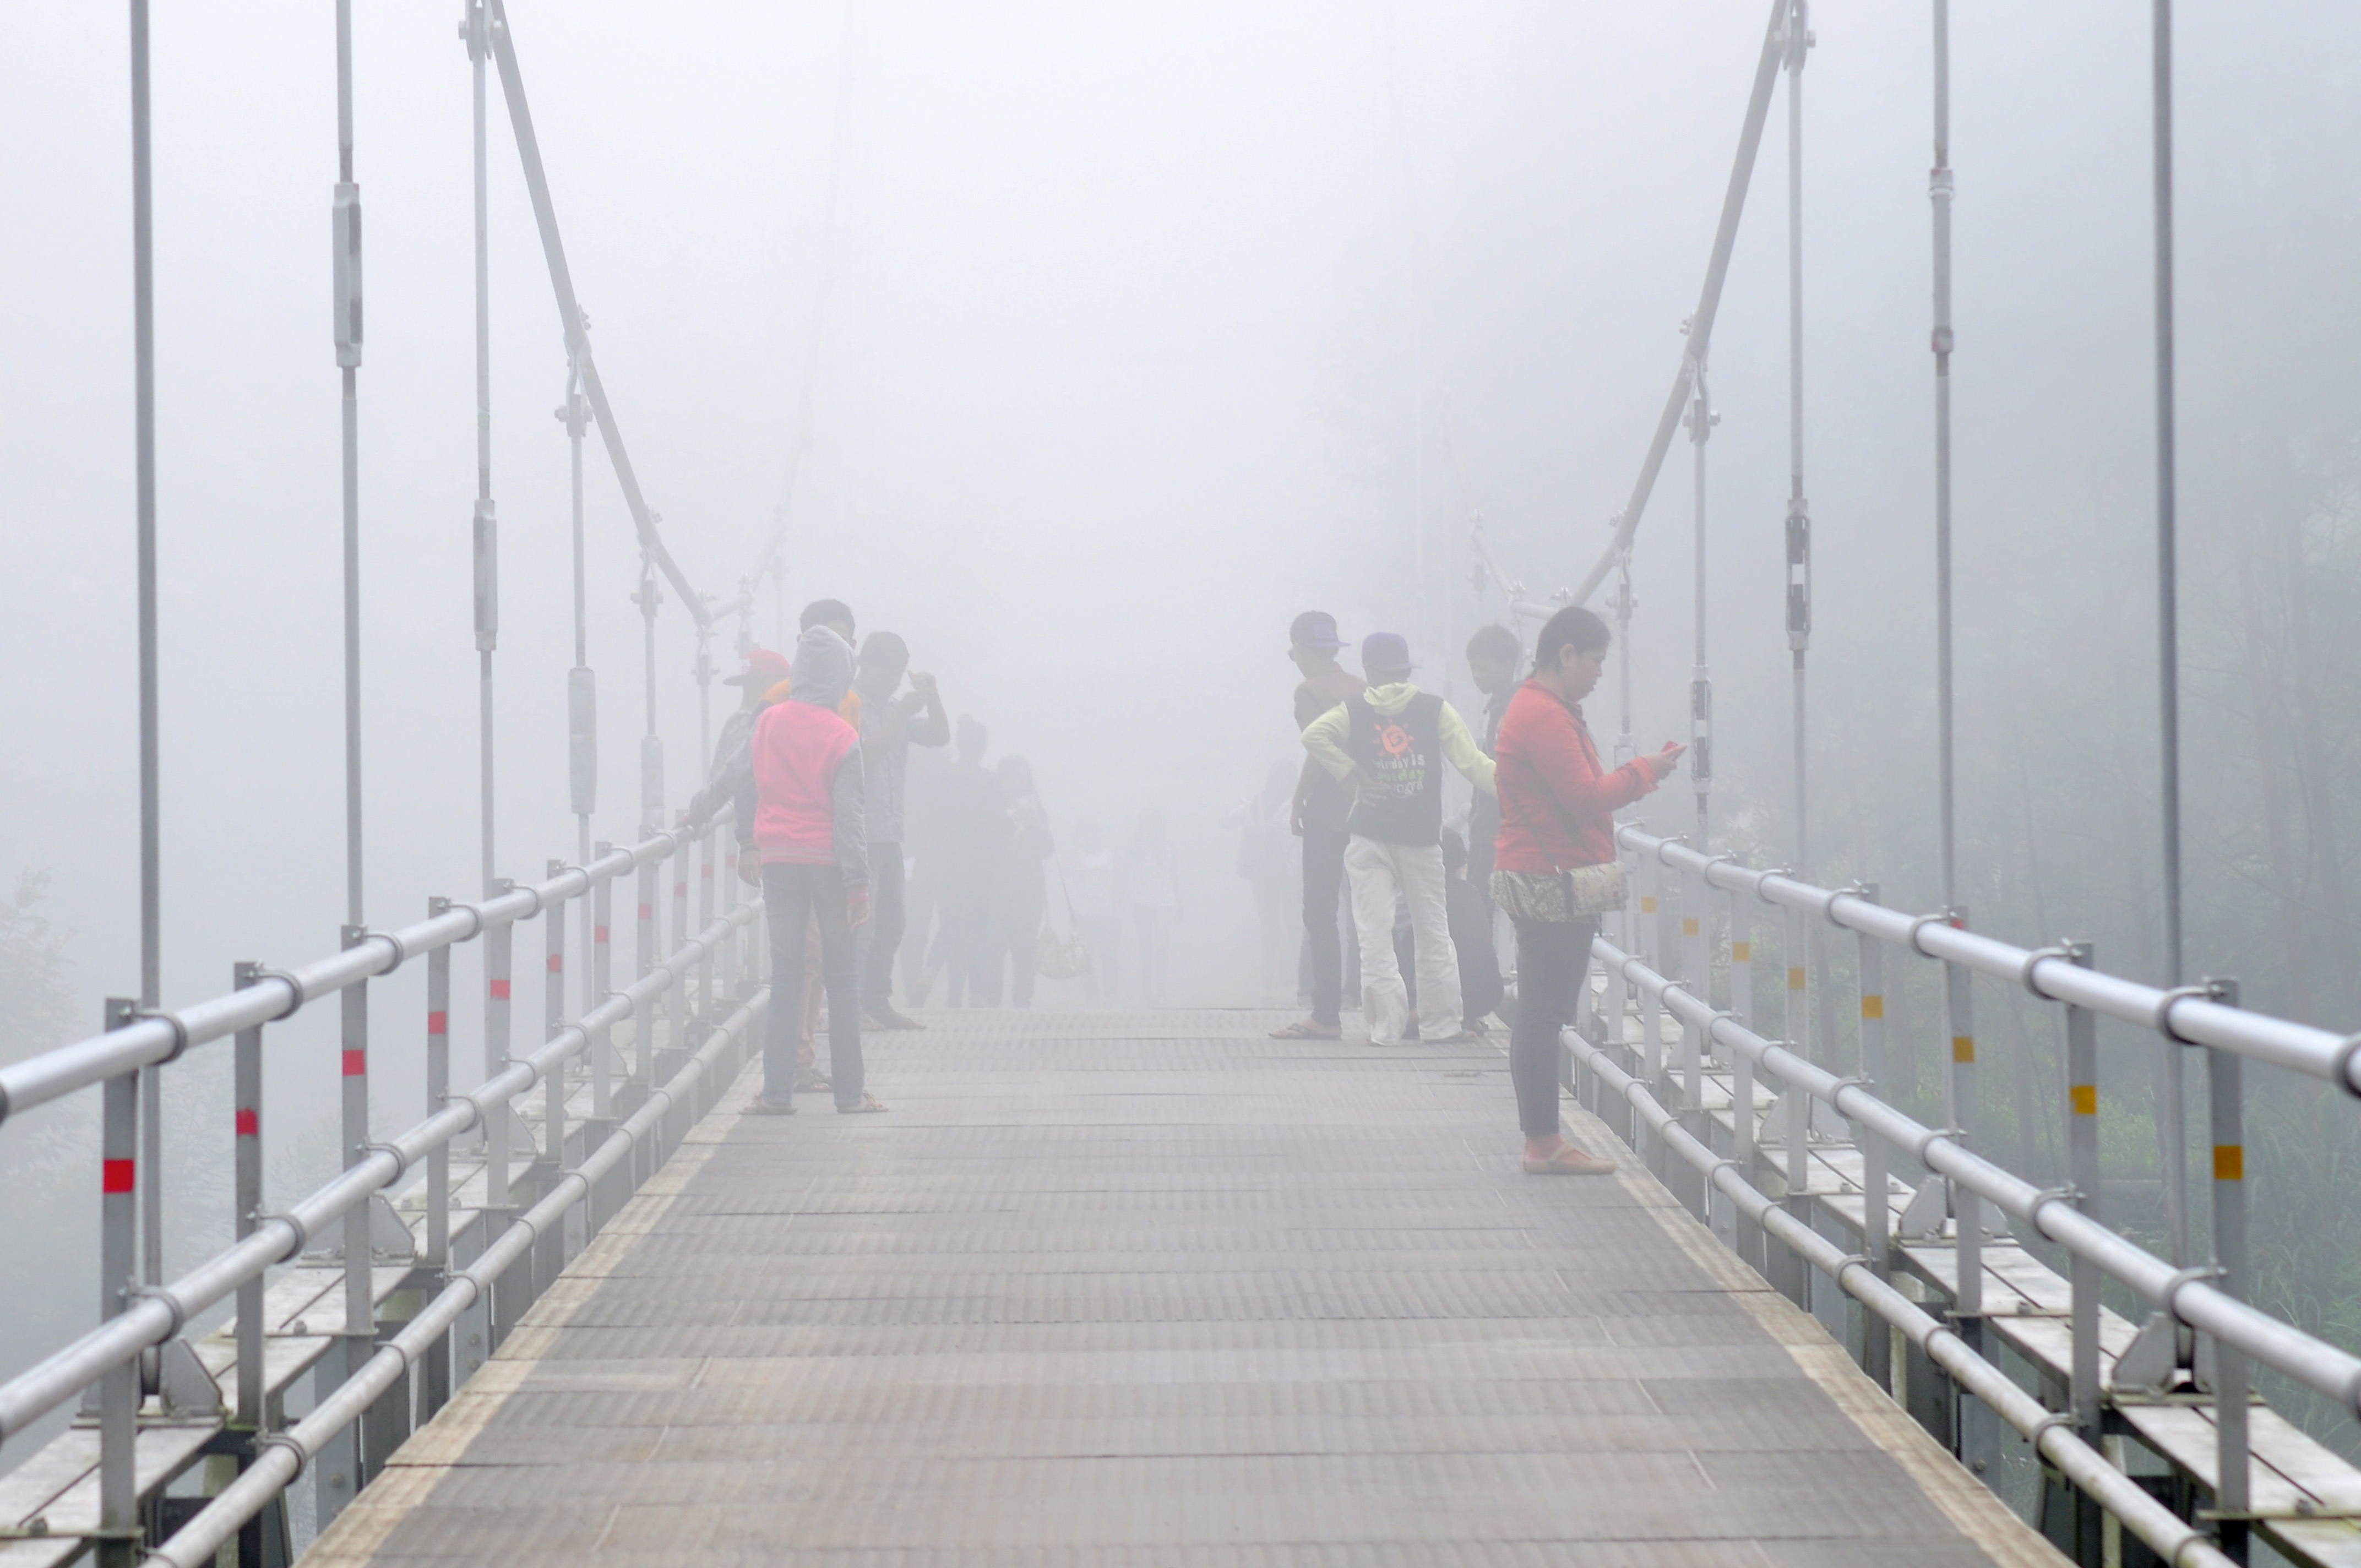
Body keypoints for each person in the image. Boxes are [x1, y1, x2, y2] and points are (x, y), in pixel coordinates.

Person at [1493, 604, 1681, 1173]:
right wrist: (1646, 771)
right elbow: (1585, 797)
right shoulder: (1544, 715)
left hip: (1540, 870)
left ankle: (1542, 1139)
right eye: (1595, 660)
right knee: (1544, 1013)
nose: (1600, 672)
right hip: (1552, 880)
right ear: (1566, 654)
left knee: (1539, 1010)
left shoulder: (1543, 708)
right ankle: (1543, 1143)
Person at [1301, 630, 1497, 1046]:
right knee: (1432, 932)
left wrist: (1353, 773)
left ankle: (1385, 1029)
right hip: (1421, 837)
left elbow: (1313, 737)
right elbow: (1475, 766)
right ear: (1408, 670)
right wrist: (1525, 790)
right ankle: (1441, 1025)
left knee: (1375, 934)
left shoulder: (1352, 711)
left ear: (1369, 671)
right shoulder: (1434, 710)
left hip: (1369, 837)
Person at [729, 623, 887, 1115]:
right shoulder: (842, 734)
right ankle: (850, 1094)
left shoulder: (768, 722)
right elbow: (851, 817)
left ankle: (776, 1093)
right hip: (829, 867)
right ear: (843, 675)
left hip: (779, 863)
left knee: (786, 978)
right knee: (841, 980)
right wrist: (858, 882)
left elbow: (734, 775)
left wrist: (698, 808)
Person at [1270, 612, 1363, 1040]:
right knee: (1368, 910)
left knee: (1321, 913)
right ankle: (1379, 1002)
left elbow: (1320, 748)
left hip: (1329, 818)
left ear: (1304, 652)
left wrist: (1300, 802)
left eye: (1294, 653)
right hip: (1368, 813)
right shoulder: (1362, 689)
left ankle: (1325, 1014)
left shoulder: (1309, 692)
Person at [852, 631, 949, 1030]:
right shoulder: (849, 705)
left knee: (893, 920)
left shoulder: (895, 705)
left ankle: (878, 1002)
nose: (894, 682)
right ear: (867, 666)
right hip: (858, 831)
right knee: (861, 924)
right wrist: (900, 716)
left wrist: (932, 697)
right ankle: (854, 1005)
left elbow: (940, 737)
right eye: (889, 673)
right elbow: (866, 757)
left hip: (890, 830)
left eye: (899, 675)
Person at [930, 717, 1007, 1006]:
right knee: (978, 927)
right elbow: (999, 824)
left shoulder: (941, 777)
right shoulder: (990, 781)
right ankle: (975, 992)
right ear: (983, 746)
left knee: (950, 924)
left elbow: (931, 819)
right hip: (981, 865)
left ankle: (939, 980)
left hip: (946, 862)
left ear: (960, 744)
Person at [1223, 760, 1298, 1003]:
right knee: (1295, 928)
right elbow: (1296, 830)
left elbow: (1226, 821)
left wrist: (1254, 825)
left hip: (1261, 875)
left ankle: (1266, 987)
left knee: (1269, 931)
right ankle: (1296, 984)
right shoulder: (1294, 803)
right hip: (1288, 874)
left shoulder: (1255, 803)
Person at [1462, 623, 1522, 917]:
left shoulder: (1514, 709)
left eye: (1483, 668)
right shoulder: (1500, 706)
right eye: (1473, 669)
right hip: (1493, 830)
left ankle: (1481, 965)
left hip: (1498, 832)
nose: (1477, 677)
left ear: (1507, 665)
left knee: (1478, 918)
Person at [991, 757, 1056, 1005]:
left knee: (1024, 953)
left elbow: (1048, 849)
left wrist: (1035, 823)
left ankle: (1022, 1005)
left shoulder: (1035, 808)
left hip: (1029, 892)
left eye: (1023, 777)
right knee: (994, 952)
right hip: (998, 890)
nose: (1019, 783)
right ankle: (991, 1007)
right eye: (1013, 777)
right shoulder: (992, 806)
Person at [1440, 827, 1503, 1035]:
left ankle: (1420, 1012)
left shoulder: (1426, 897)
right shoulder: (1472, 893)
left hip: (1446, 994)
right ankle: (1471, 1017)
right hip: (1488, 994)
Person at [1123, 808, 1180, 1004]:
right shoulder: (1133, 850)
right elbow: (1127, 878)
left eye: (1152, 824)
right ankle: (1147, 991)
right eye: (1144, 824)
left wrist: (1180, 904)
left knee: (1162, 948)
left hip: (1165, 902)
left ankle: (1162, 990)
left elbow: (1174, 877)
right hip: (1141, 904)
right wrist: (1128, 902)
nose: (1148, 829)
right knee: (1145, 949)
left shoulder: (1168, 848)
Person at [1067, 813, 1124, 1004]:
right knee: (1086, 958)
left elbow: (1122, 881)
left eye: (1092, 828)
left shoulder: (1111, 854)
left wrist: (1117, 903)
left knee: (1109, 956)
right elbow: (1070, 882)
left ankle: (1111, 997)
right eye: (1084, 829)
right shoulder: (1075, 855)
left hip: (1109, 915)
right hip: (1084, 915)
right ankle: (1092, 998)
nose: (1088, 833)